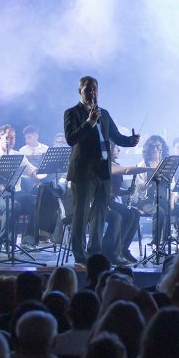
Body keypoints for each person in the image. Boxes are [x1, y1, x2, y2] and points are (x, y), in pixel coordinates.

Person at [64, 76, 140, 265]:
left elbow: (116, 136)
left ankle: (95, 254)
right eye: (88, 89)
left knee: (99, 214)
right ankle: (80, 257)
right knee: (81, 216)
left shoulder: (104, 113)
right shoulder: (72, 113)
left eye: (95, 89)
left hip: (102, 172)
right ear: (80, 91)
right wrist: (89, 122)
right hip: (83, 172)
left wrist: (131, 141)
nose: (92, 93)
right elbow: (71, 139)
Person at [0, 124, 41, 247]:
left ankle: (27, 240)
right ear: (0, 138)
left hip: (15, 192)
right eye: (8, 137)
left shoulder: (18, 155)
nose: (11, 141)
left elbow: (32, 171)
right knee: (12, 205)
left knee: (36, 201)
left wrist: (45, 171)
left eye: (13, 138)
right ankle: (6, 243)